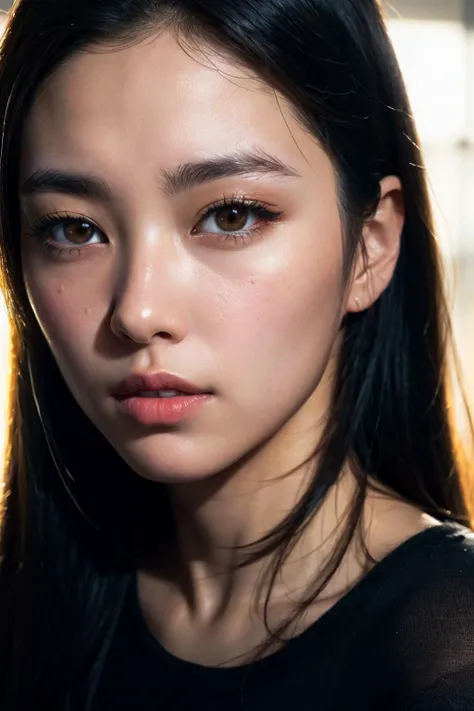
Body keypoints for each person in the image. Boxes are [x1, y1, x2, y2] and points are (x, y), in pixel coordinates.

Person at [0, 0, 474, 708]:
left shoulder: (444, 660)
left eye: (231, 215)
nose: (139, 310)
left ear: (370, 247)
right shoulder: (30, 614)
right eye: (74, 228)